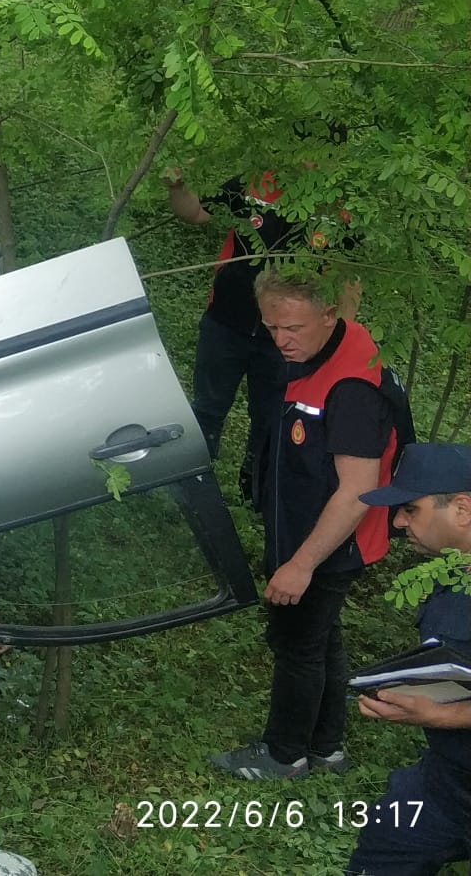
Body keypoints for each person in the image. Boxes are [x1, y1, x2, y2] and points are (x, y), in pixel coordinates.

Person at [211, 270, 399, 780]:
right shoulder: (330, 345)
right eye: (271, 326)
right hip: (309, 529)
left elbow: (357, 490)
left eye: (292, 327)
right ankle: (327, 747)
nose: (281, 340)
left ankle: (283, 754)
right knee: (321, 637)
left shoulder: (352, 391)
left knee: (297, 644)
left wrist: (300, 564)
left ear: (329, 315)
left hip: (331, 542)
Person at [164, 169, 357, 500]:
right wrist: (178, 186)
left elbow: (348, 279)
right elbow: (196, 212)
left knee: (270, 421)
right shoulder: (256, 179)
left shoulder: (340, 209)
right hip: (225, 322)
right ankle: (192, 489)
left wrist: (338, 339)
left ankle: (253, 497)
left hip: (287, 340)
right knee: (208, 409)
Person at [345, 443, 471, 876]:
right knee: (385, 845)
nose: (398, 523)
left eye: (410, 510)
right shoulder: (454, 572)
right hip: (447, 784)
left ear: (462, 508)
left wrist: (442, 716)